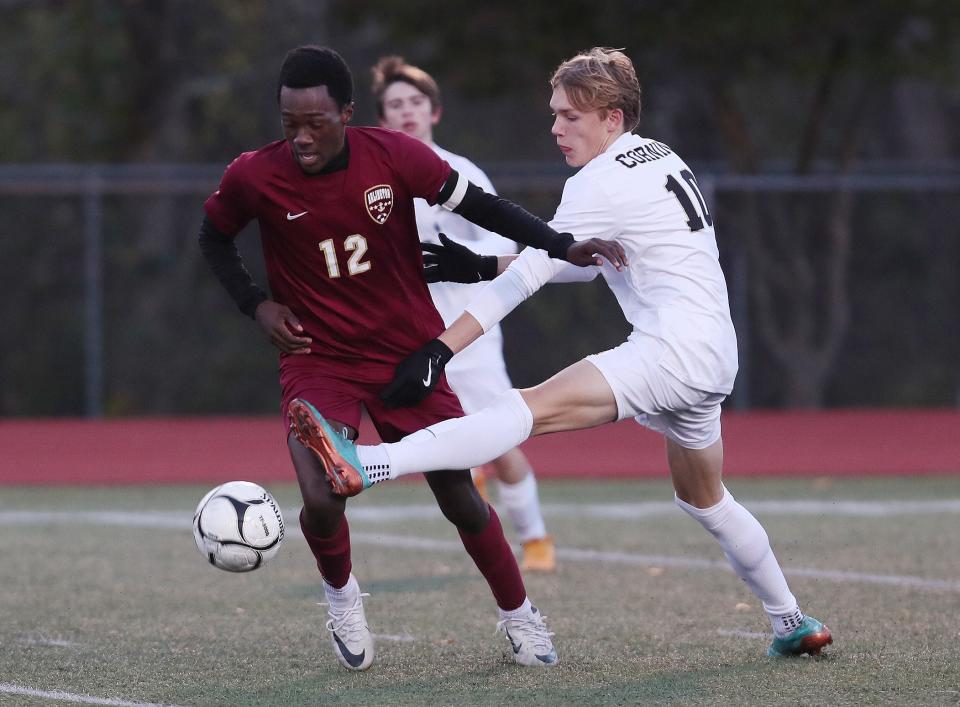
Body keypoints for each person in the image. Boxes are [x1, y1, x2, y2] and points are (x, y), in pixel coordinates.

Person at [289, 47, 834, 660]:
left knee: (523, 410)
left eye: (571, 115)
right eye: (554, 114)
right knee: (704, 499)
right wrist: (481, 261)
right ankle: (790, 620)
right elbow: (582, 262)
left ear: (613, 117)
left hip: (669, 353)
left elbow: (529, 281)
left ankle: (369, 463)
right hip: (712, 353)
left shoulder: (600, 179)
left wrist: (440, 349)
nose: (556, 127)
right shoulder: (659, 156)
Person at [199, 45, 624, 671]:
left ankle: (519, 617)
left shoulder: (395, 155)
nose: (302, 138)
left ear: (347, 113)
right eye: (290, 124)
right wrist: (255, 305)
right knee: (320, 494)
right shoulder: (254, 175)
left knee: (459, 494)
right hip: (318, 360)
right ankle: (342, 601)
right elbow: (213, 238)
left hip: (406, 353)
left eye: (316, 123)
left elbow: (484, 208)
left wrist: (562, 244)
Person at [370, 55, 555, 573]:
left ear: (435, 112)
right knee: (434, 442)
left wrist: (455, 264)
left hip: (466, 337)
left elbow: (500, 249)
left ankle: (536, 539)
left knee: (503, 440)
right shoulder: (375, 178)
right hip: (407, 339)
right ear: (382, 120)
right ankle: (469, 482)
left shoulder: (460, 174)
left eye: (415, 103)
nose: (406, 112)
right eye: (394, 105)